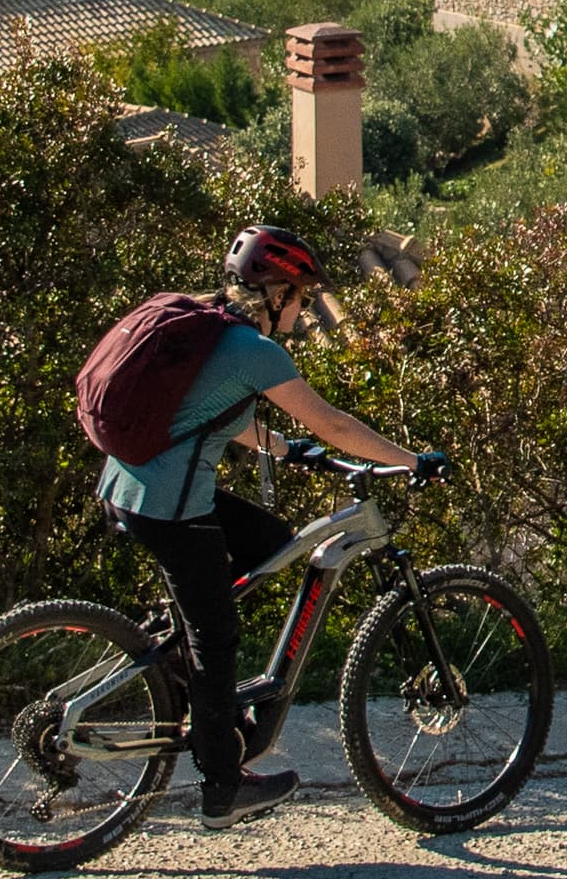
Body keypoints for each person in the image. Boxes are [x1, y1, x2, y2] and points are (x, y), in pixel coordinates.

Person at [97, 224, 428, 828]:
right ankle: (223, 784)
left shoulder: (207, 324)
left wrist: (281, 447)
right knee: (215, 635)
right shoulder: (257, 350)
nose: (303, 312)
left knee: (272, 544)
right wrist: (410, 459)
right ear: (276, 293)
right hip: (171, 506)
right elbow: (336, 424)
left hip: (130, 489)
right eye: (300, 296)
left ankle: (176, 659)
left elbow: (211, 409)